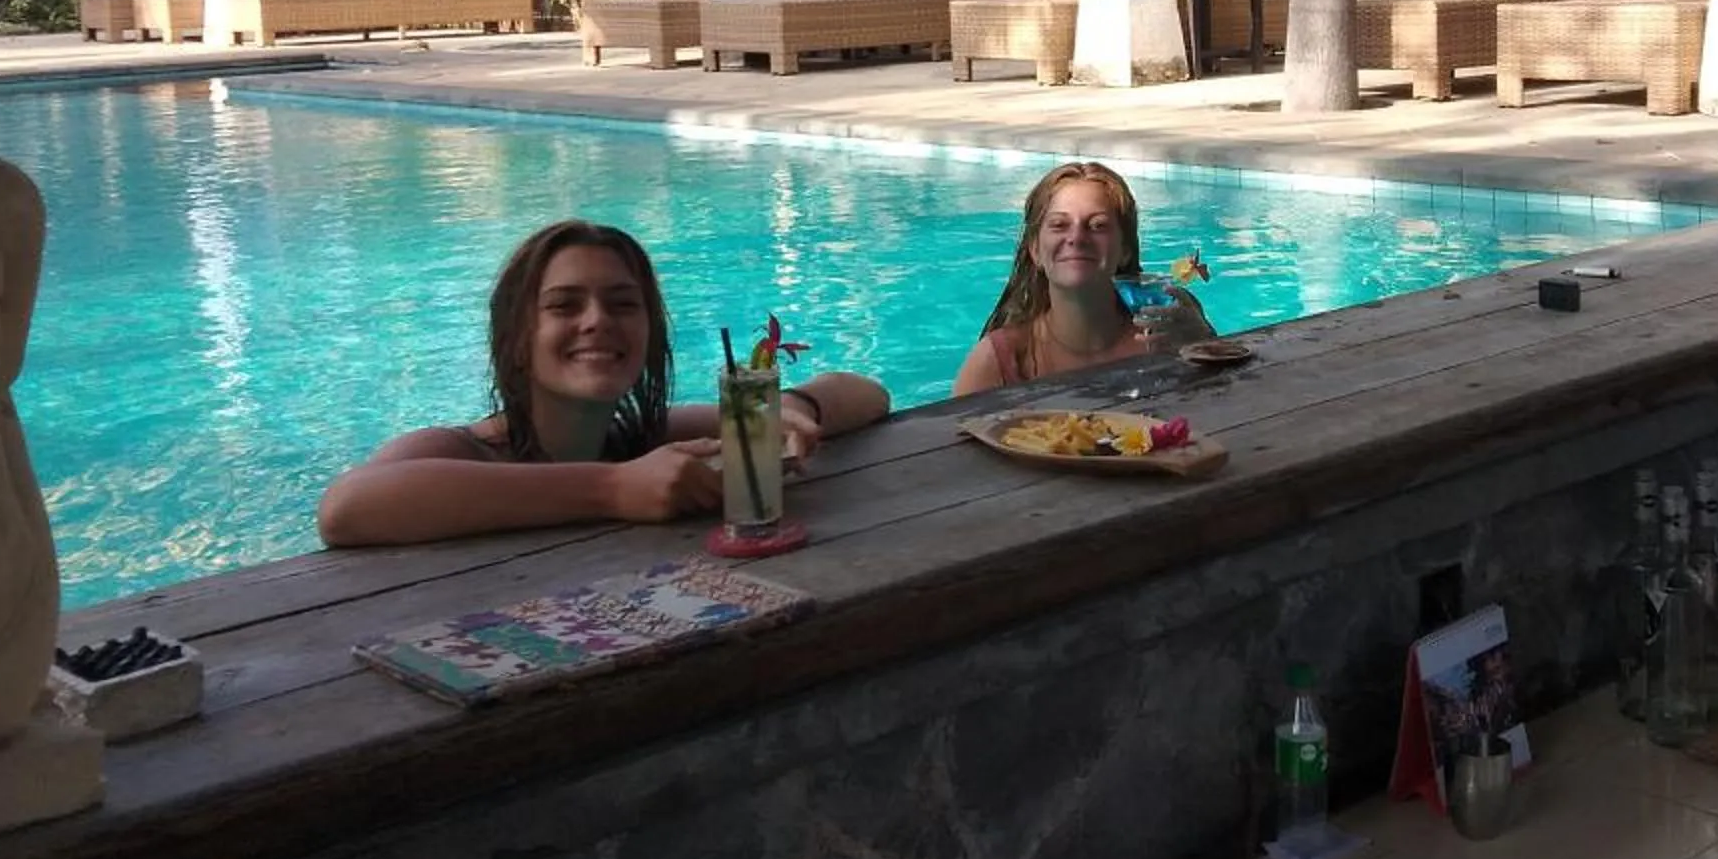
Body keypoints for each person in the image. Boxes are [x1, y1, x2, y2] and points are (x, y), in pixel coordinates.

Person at [321, 220, 889, 546]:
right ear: (519, 338)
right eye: (564, 305)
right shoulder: (467, 452)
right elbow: (346, 508)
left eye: (623, 304)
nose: (597, 321)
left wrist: (788, 408)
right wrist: (614, 489)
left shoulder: (645, 438)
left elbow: (865, 391)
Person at [952, 161, 1213, 396]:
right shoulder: (1001, 362)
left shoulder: (1174, 327)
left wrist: (1204, 347)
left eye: (1098, 225)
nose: (1076, 237)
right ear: (1035, 250)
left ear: (1125, 250)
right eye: (1059, 225)